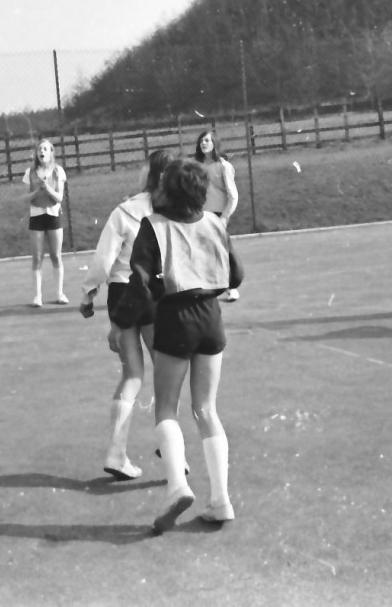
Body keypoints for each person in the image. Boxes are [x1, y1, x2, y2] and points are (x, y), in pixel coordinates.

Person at [118, 159, 243, 533]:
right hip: (211, 317)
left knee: (167, 408)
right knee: (206, 409)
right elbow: (236, 273)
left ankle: (176, 487)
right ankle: (220, 499)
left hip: (175, 316)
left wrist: (122, 322)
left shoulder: (153, 226)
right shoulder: (214, 222)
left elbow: (139, 282)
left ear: (165, 190)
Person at [79, 149, 174, 481]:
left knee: (132, 375)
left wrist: (89, 292)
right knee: (165, 371)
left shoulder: (123, 211)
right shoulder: (172, 212)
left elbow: (104, 261)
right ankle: (172, 449)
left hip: (123, 295)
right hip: (155, 293)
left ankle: (116, 454)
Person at [195, 130, 240, 301]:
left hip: (217, 215)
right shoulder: (196, 166)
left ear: (214, 143)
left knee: (221, 251)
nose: (204, 143)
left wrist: (225, 216)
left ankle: (232, 287)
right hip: (200, 214)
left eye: (207, 140)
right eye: (201, 141)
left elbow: (233, 195)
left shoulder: (223, 166)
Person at [22, 138, 67, 307]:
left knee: (56, 255)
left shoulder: (58, 171)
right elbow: (25, 197)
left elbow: (59, 198)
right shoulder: (30, 172)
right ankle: (37, 296)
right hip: (36, 216)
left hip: (53, 215)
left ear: (51, 152)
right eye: (40, 149)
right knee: (37, 257)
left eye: (46, 149)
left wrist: (47, 188)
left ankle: (59, 293)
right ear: (37, 153)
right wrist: (37, 190)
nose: (42, 152)